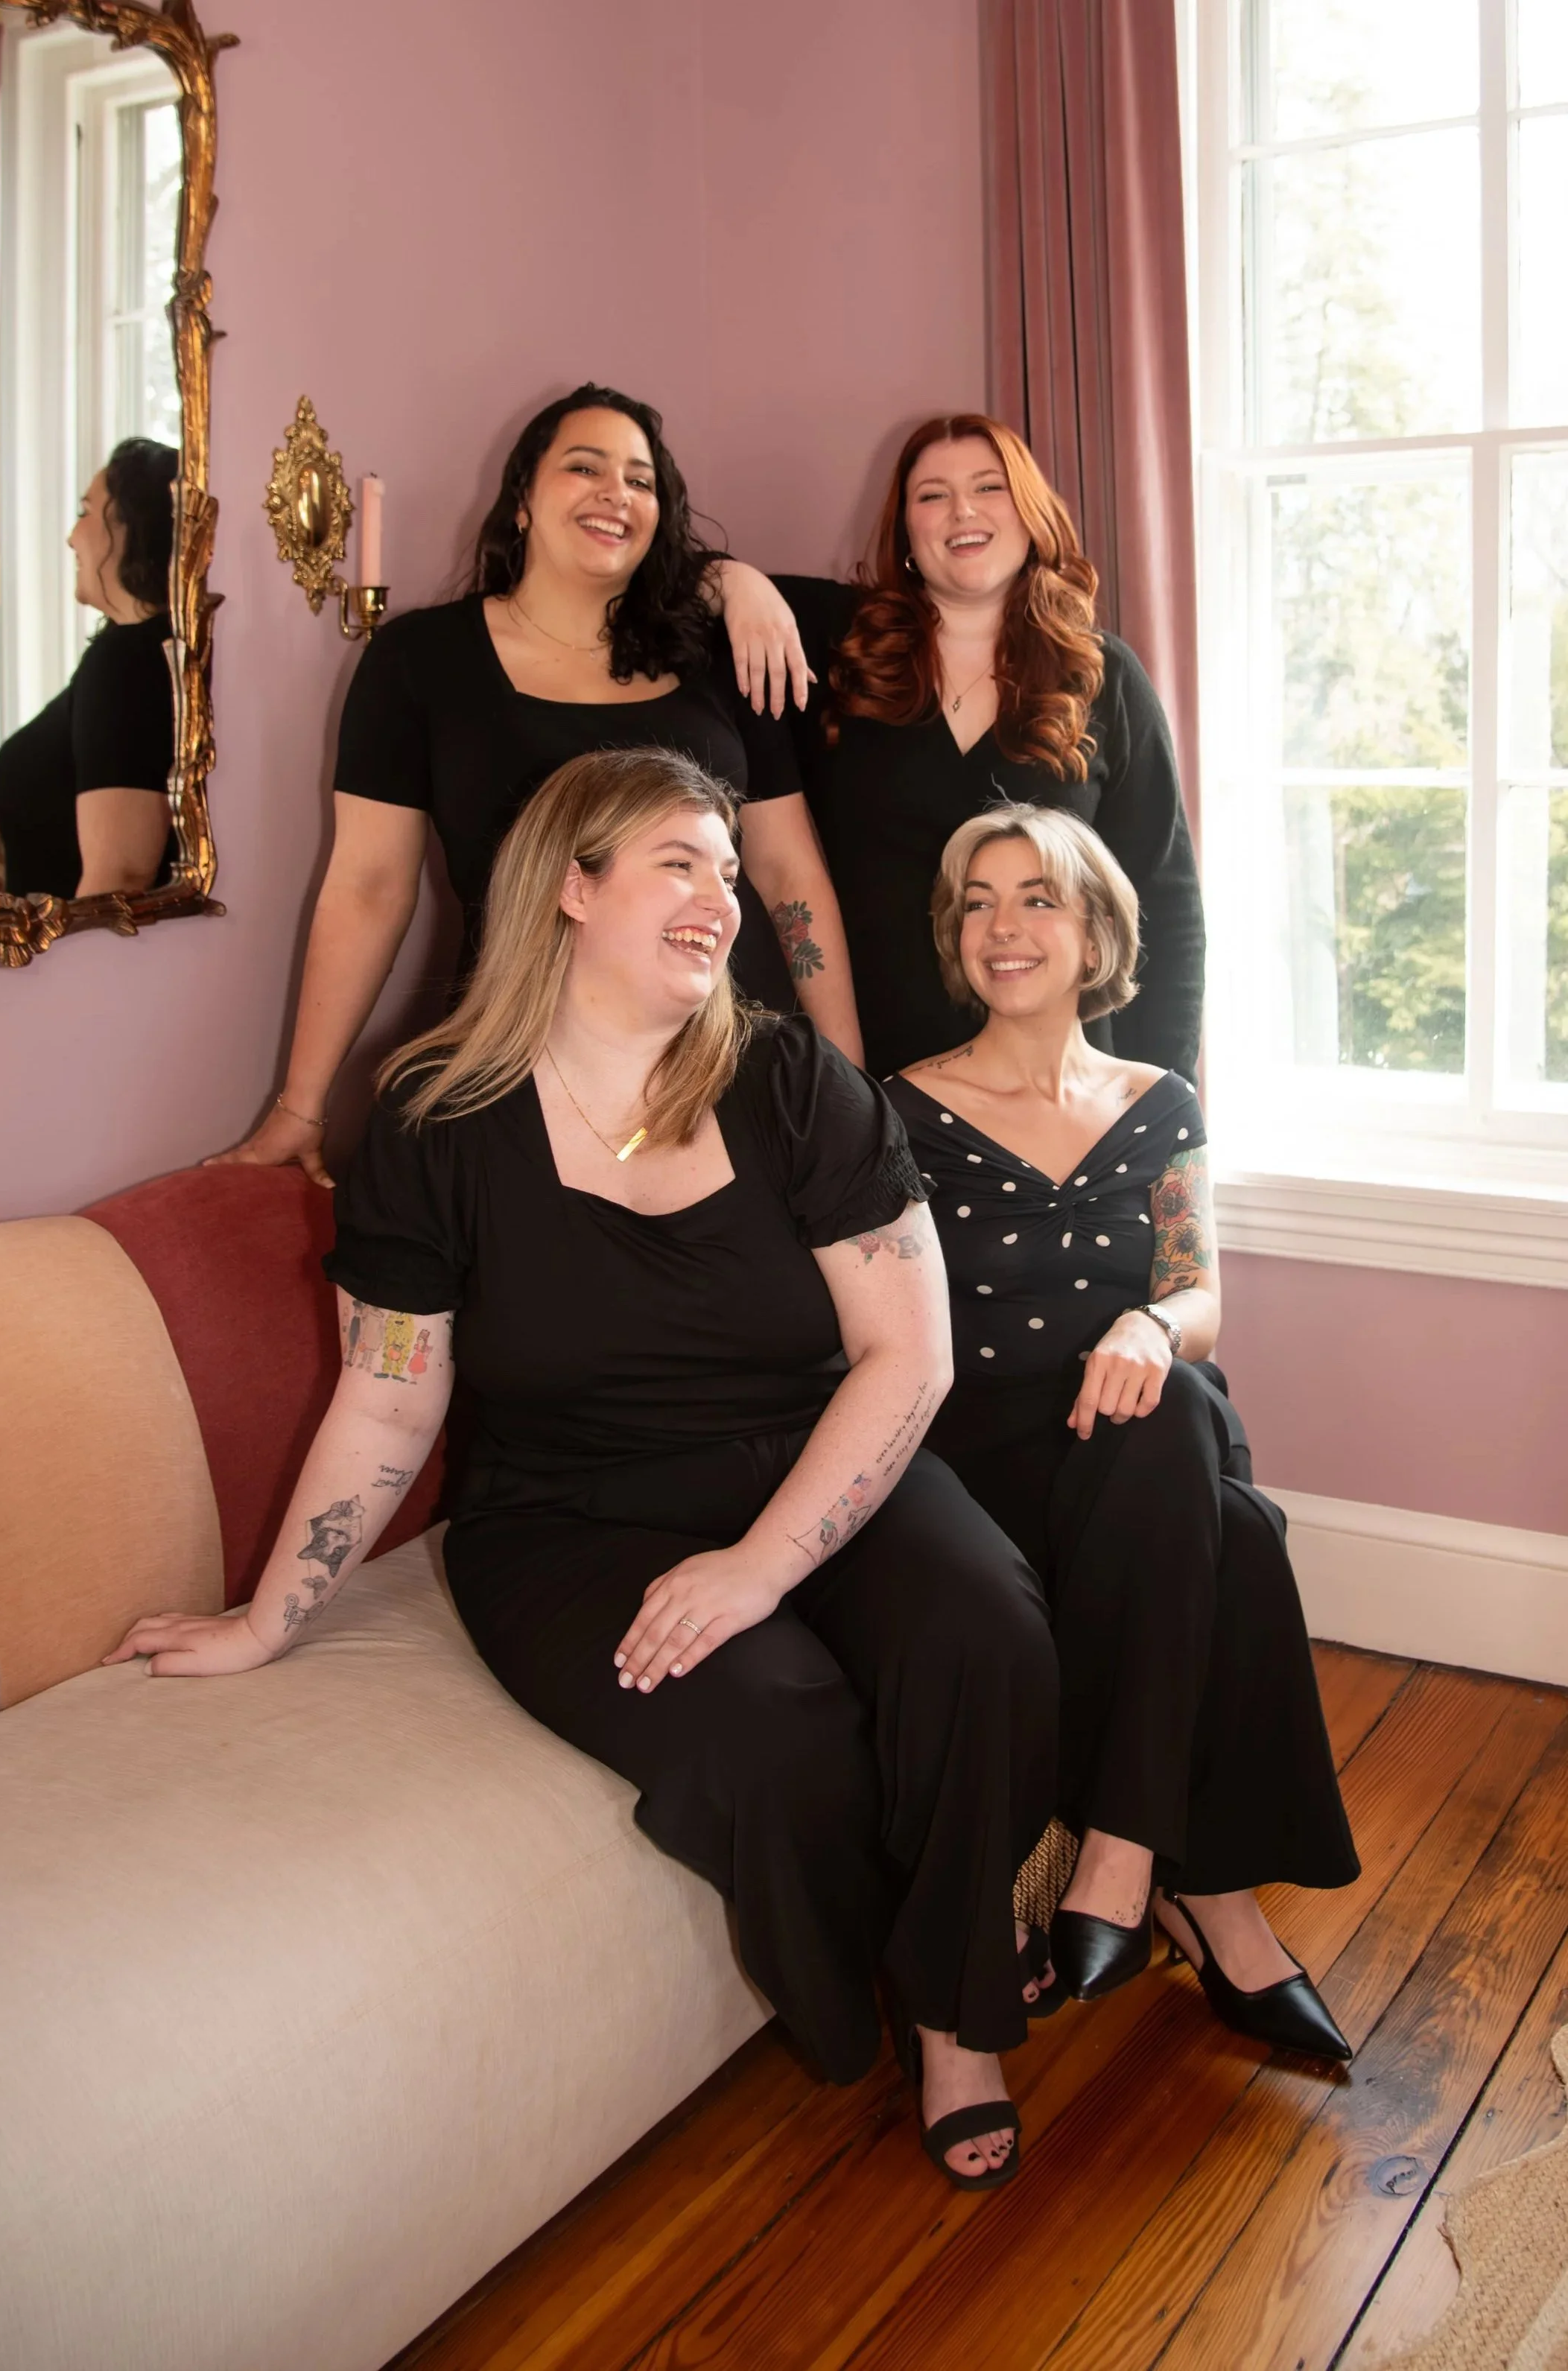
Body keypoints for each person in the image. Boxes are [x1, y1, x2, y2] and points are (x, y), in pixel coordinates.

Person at [112, 746, 1059, 2193]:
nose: (722, 898)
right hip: (568, 1511)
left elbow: (908, 1358)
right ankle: (874, 1967)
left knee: (984, 1629)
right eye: (681, 863)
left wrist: (760, 1566)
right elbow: (388, 1400)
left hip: (814, 1457)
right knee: (778, 1733)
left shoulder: (795, 1082)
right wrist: (268, 1617)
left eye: (728, 871)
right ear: (570, 883)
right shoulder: (433, 1115)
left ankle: (957, 2009)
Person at [883, 802, 1358, 2059]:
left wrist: (1150, 1326)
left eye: (1036, 897)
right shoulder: (902, 1111)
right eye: (977, 901)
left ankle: (1120, 1851)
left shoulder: (1161, 1100)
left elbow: (1199, 1295)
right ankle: (1210, 1899)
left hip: (1140, 1438)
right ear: (954, 937)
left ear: (1095, 935)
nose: (1003, 925)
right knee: (1235, 1531)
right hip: (982, 1456)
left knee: (1175, 1397)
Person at [214, 384, 858, 1187]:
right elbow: (369, 887)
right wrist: (302, 1105)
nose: (614, 493)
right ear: (521, 499)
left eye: (640, 480)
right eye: (584, 467)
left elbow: (786, 872)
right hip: (522, 1062)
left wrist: (844, 1080)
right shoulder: (419, 661)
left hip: (734, 1056)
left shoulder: (720, 658)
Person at [717, 413, 1204, 1083]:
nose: (962, 511)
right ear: (905, 532)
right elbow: (667, 580)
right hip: (873, 1077)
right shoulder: (836, 650)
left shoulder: (1101, 675)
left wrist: (1163, 1097)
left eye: (988, 487)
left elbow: (1165, 905)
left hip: (1061, 1092)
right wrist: (733, 581)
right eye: (932, 495)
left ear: (1030, 513)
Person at [0, 437, 177, 900]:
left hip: (72, 947)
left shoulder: (126, 665)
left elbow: (120, 878)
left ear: (132, 526)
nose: (72, 536)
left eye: (86, 511)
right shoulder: (133, 653)